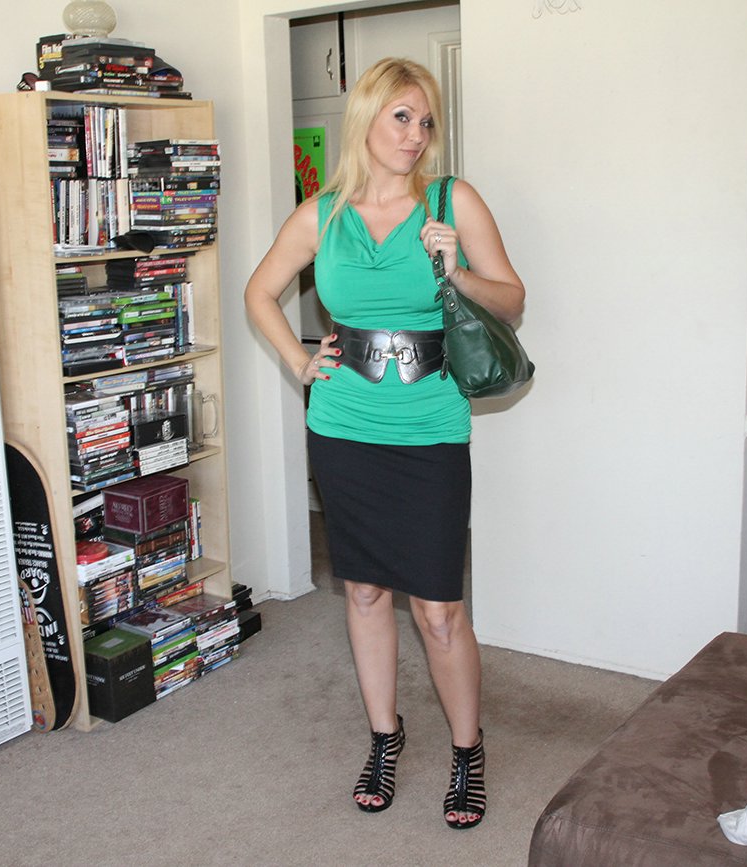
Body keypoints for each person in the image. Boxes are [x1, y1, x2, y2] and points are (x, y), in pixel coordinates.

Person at [244, 57, 524, 830]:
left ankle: (467, 749)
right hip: (343, 427)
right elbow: (259, 291)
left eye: (426, 120)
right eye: (402, 115)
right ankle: (384, 735)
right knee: (364, 591)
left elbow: (512, 298)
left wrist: (456, 272)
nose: (416, 133)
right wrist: (300, 361)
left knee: (439, 608)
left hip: (429, 427)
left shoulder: (452, 201)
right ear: (366, 116)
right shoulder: (320, 214)